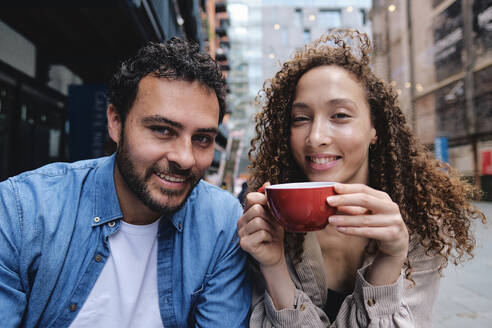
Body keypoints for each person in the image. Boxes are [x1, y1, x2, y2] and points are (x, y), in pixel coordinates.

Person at [237, 30, 485, 327]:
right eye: (301, 118)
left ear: (374, 128)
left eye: (340, 115)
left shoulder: (420, 223)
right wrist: (274, 266)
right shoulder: (266, 220)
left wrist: (391, 259)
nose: (316, 137)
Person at [0, 38, 251, 327]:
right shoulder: (22, 210)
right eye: (162, 130)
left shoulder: (222, 223)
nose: (185, 158)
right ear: (115, 122)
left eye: (202, 139)